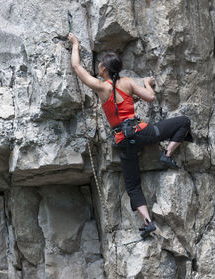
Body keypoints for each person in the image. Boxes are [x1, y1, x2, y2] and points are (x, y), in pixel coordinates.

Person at [68, 33, 193, 238]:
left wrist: (75, 44)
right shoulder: (127, 82)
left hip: (123, 141)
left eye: (100, 64)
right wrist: (146, 82)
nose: (98, 66)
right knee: (183, 122)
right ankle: (167, 154)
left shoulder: (101, 88)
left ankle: (148, 222)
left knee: (132, 184)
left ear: (104, 69)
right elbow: (150, 98)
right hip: (141, 132)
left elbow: (77, 67)